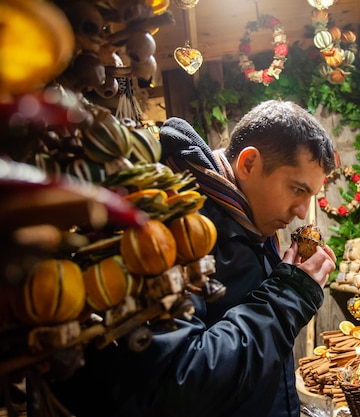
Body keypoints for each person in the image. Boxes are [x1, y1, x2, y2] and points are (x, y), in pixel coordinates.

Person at [52, 100, 337, 417]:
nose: (301, 212)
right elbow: (181, 384)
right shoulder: (171, 233)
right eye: (297, 189)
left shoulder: (250, 226)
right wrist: (290, 296)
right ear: (248, 164)